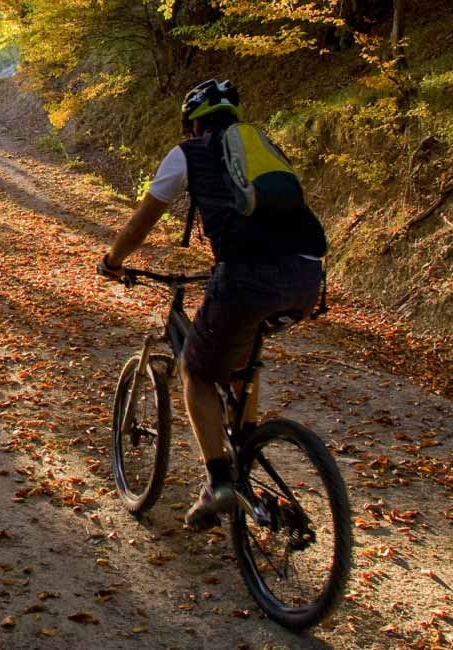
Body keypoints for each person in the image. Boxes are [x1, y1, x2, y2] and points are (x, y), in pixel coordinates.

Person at [97, 79, 328, 529]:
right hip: (306, 274)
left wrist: (112, 260)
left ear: (193, 122)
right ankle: (248, 443)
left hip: (247, 274)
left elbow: (144, 219)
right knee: (241, 356)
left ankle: (218, 483)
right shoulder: (260, 147)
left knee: (197, 371)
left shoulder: (189, 153)